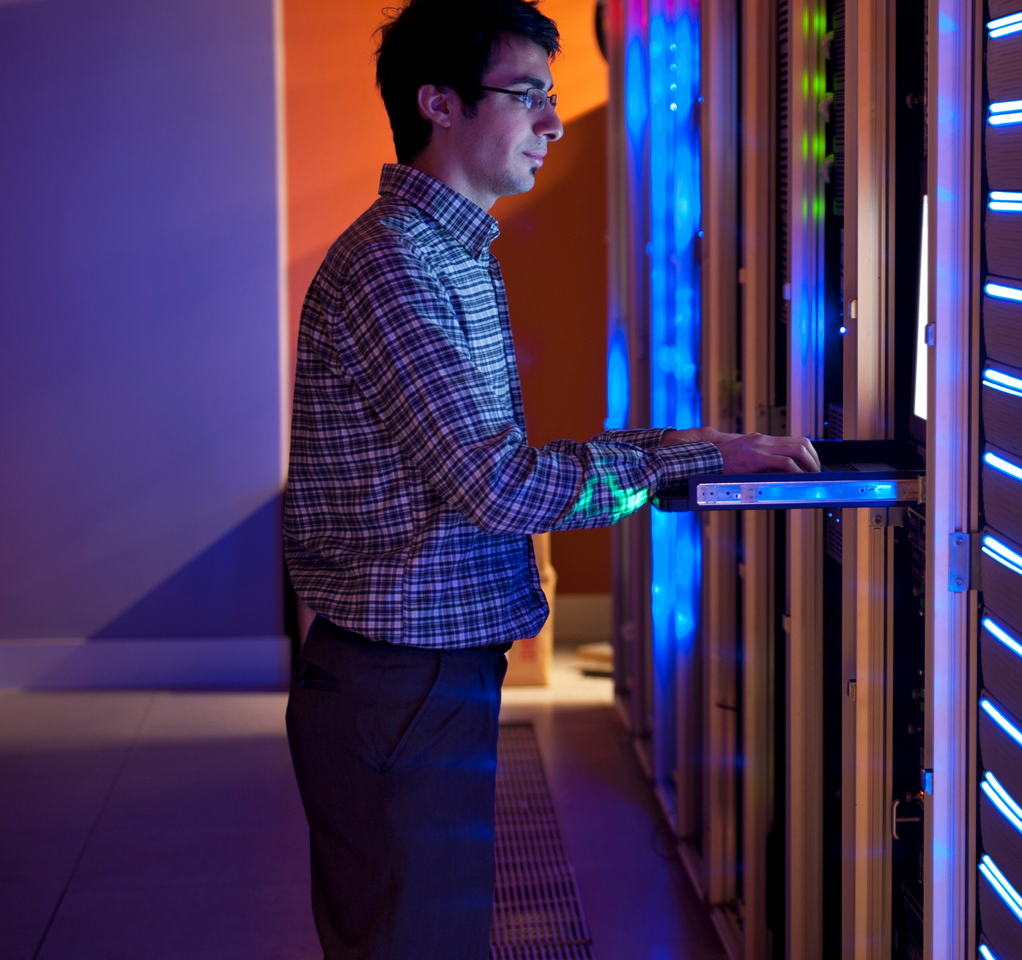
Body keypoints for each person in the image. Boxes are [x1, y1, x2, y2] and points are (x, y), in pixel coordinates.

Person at [282, 1, 819, 957]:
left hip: (418, 677)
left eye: (552, 94)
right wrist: (690, 459)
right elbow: (497, 486)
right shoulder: (400, 268)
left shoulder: (451, 255)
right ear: (438, 104)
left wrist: (680, 449)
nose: (554, 122)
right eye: (527, 95)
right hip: (399, 685)